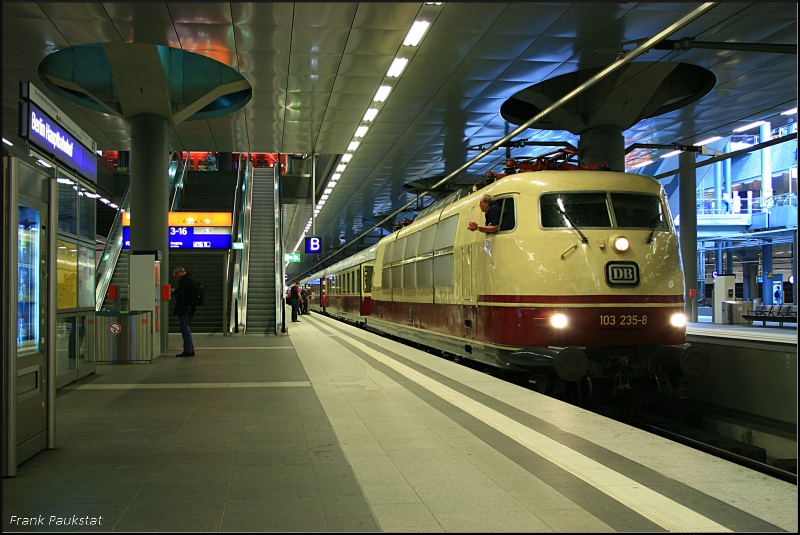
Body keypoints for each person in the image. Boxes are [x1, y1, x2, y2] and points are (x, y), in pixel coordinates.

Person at [172, 267, 197, 357]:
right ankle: (190, 349)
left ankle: (188, 350)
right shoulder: (190, 278)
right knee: (187, 328)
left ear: (179, 273)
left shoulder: (185, 279)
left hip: (184, 307)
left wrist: (174, 291)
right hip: (190, 306)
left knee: (185, 328)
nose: (177, 278)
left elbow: (181, 291)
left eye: (176, 276)